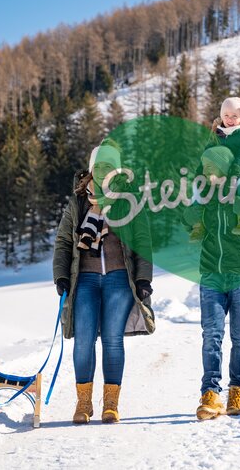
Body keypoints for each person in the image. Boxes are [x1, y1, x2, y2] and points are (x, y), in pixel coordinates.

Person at [52, 140, 155, 424]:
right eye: (100, 167)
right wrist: (61, 274)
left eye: (110, 167)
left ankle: (111, 404)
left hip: (120, 280)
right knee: (83, 340)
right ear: (92, 169)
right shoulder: (79, 201)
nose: (104, 172)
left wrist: (143, 277)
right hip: (84, 279)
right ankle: (83, 403)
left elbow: (143, 242)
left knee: (111, 341)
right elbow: (63, 241)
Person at [182, 145, 240, 420]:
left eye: (211, 166)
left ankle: (237, 391)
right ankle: (210, 394)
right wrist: (197, 203)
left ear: (223, 167)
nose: (206, 171)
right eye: (204, 167)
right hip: (212, 274)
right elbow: (186, 221)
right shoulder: (204, 194)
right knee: (211, 335)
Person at [190, 97, 240, 241]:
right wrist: (201, 169)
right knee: (199, 184)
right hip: (218, 168)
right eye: (226, 115)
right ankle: (198, 223)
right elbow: (208, 151)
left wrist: (236, 169)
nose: (230, 119)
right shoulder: (217, 131)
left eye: (234, 116)